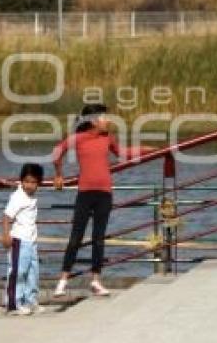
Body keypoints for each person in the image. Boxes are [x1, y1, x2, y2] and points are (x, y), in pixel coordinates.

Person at [51, 103, 157, 297]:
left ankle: (96, 280)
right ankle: (63, 279)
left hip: (104, 195)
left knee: (98, 240)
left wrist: (147, 149)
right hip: (85, 194)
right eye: (104, 118)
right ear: (93, 121)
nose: (108, 121)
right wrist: (58, 175)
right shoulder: (78, 138)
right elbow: (57, 152)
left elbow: (123, 154)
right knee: (76, 238)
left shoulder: (107, 138)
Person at [2, 163, 44, 315]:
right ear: (21, 181)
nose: (29, 185)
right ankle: (13, 304)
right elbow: (7, 217)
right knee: (18, 272)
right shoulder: (18, 197)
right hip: (19, 240)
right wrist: (6, 235)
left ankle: (30, 300)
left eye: (33, 182)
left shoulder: (30, 195)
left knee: (33, 272)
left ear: (38, 183)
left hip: (31, 241)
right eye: (26, 181)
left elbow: (25, 185)